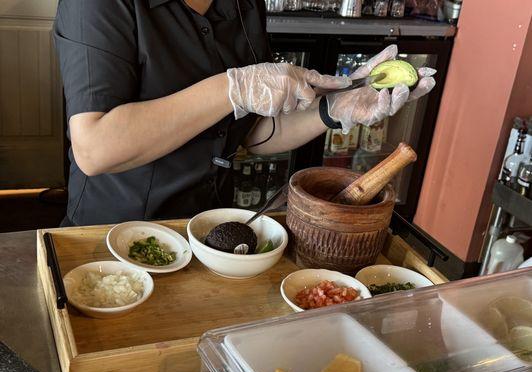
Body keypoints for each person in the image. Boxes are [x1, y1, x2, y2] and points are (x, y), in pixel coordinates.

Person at [53, 0, 436, 226]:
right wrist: (231, 87)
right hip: (114, 233)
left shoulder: (243, 4)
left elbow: (250, 134)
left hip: (211, 226)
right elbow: (95, 148)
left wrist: (331, 109)